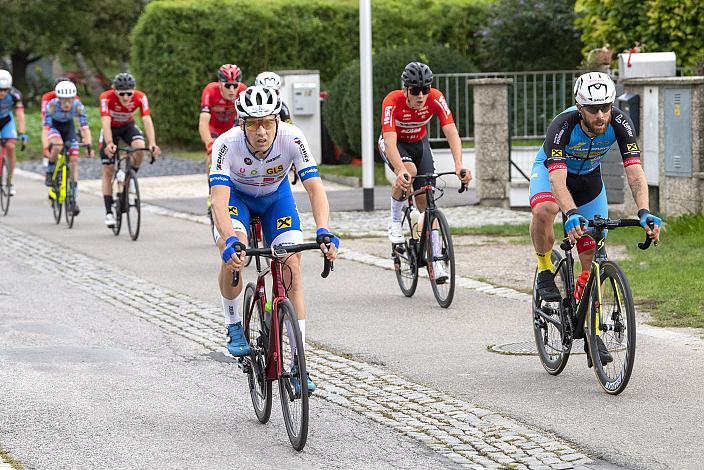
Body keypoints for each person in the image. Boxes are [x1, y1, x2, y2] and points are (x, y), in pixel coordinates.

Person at [209, 86, 339, 394]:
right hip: (236, 200)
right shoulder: (226, 145)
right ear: (241, 124)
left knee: (291, 265)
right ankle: (233, 325)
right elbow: (218, 201)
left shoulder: (292, 137)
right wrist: (229, 241)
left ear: (277, 120)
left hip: (275, 200)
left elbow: (315, 189)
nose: (261, 131)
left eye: (268, 122)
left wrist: (323, 230)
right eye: (253, 124)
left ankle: (298, 363)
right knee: (234, 251)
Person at [528, 71, 662, 366]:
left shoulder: (619, 122)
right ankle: (545, 267)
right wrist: (570, 213)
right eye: (593, 109)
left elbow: (635, 172)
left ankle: (592, 330)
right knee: (545, 211)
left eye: (606, 107)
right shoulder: (562, 127)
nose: (601, 115)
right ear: (580, 108)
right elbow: (557, 180)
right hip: (553, 175)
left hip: (589, 180)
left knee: (593, 259)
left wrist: (644, 211)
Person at [378, 61, 471, 281]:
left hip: (419, 144)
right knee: (408, 171)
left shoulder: (436, 98)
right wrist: (400, 170)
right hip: (395, 144)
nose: (421, 95)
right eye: (415, 90)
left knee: (426, 203)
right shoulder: (392, 101)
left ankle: (436, 259)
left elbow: (451, 132)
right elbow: (390, 143)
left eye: (425, 89)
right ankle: (393, 222)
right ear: (405, 90)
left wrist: (459, 165)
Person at [99, 72, 161, 227]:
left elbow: (146, 119)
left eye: (129, 93)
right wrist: (108, 143)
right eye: (122, 94)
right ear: (114, 90)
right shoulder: (106, 97)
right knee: (108, 169)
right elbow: (105, 121)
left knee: (140, 147)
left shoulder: (140, 97)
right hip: (110, 129)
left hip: (127, 127)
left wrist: (152, 142)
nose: (126, 97)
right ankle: (108, 212)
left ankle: (130, 175)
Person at [42, 80, 94, 214]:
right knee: (58, 145)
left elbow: (84, 127)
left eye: (69, 100)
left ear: (73, 98)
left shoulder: (78, 106)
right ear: (58, 99)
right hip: (55, 128)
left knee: (74, 161)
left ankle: (73, 197)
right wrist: (46, 146)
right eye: (63, 100)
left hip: (69, 128)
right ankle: (50, 169)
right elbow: (46, 128)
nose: (66, 104)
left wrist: (88, 144)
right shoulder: (51, 106)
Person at [0, 69, 27, 196]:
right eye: (0, 90)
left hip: (6, 120)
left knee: (11, 146)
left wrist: (22, 133)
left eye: (5, 90)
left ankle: (9, 180)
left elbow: (20, 114)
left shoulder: (15, 95)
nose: (2, 93)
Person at [40, 77, 72, 160]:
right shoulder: (48, 97)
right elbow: (44, 116)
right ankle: (51, 163)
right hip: (52, 121)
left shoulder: (72, 97)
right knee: (56, 144)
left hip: (66, 122)